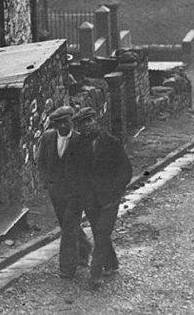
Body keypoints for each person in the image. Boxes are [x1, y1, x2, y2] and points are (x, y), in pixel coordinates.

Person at [71, 106, 133, 290]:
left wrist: (116, 192)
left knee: (101, 233)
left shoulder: (112, 142)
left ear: (96, 120)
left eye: (90, 120)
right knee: (101, 234)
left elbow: (126, 170)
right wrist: (82, 191)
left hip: (109, 199)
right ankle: (112, 263)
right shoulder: (78, 145)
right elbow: (74, 171)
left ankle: (95, 274)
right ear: (80, 127)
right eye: (83, 123)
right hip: (90, 200)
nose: (88, 125)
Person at [36, 105, 92, 278]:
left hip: (76, 194)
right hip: (56, 193)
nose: (62, 126)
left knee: (68, 229)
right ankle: (85, 248)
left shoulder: (80, 140)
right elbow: (41, 162)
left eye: (65, 122)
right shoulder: (47, 138)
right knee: (68, 225)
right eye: (59, 123)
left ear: (71, 122)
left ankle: (67, 268)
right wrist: (48, 182)